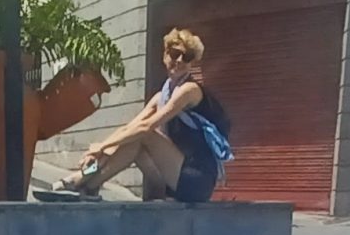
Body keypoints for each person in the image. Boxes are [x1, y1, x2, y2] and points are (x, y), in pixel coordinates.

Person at [39, 28, 232, 202]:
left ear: (191, 63)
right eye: (175, 54)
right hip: (174, 176)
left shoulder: (189, 91)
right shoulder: (162, 96)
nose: (180, 60)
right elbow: (129, 128)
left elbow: (146, 127)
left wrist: (102, 146)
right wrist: (99, 149)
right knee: (132, 141)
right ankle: (89, 184)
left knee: (144, 134)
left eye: (187, 57)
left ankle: (81, 181)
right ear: (165, 55)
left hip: (196, 180)